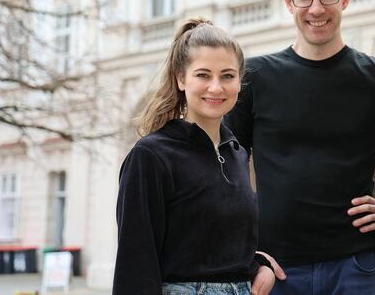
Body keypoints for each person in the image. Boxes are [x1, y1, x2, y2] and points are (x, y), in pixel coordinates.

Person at [224, 0, 375, 294]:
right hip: (276, 268)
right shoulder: (254, 77)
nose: (316, 8)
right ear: (288, 1)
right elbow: (224, 169)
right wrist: (247, 251)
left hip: (356, 264)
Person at [113, 19, 275, 295]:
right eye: (203, 75)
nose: (216, 87)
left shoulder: (235, 152)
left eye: (227, 76)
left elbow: (218, 241)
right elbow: (136, 260)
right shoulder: (152, 155)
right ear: (181, 78)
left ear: (239, 81)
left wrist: (259, 266)